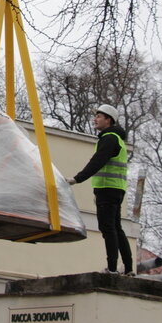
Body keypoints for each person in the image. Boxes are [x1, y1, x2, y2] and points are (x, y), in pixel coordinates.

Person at [67, 104, 134, 275]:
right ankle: (128, 268)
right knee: (116, 228)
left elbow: (97, 161)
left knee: (108, 229)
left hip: (107, 188)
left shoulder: (109, 138)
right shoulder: (116, 139)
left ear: (108, 120)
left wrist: (77, 179)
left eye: (99, 116)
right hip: (116, 189)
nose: (95, 119)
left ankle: (112, 268)